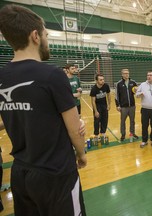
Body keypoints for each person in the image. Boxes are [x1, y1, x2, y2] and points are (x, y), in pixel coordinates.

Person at [0, 4, 87, 216]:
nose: (47, 40)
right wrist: (82, 154)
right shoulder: (53, 75)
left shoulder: (2, 77)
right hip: (56, 174)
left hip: (21, 173)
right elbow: (74, 129)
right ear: (35, 36)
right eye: (46, 35)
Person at [115, 69, 139, 141]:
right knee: (123, 121)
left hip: (132, 106)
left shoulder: (133, 82)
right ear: (122, 74)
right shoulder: (119, 84)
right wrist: (117, 105)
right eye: (125, 73)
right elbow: (116, 95)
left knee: (132, 121)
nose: (126, 75)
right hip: (123, 107)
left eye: (127, 73)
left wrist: (137, 90)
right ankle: (123, 134)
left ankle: (132, 133)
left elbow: (137, 91)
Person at [90, 74, 111, 143]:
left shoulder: (106, 86)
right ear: (97, 81)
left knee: (105, 119)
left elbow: (109, 95)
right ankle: (96, 134)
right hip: (97, 106)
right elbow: (93, 101)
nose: (103, 81)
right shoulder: (94, 89)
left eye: (103, 79)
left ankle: (103, 133)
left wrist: (109, 104)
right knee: (97, 121)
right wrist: (95, 111)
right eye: (101, 80)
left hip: (104, 105)